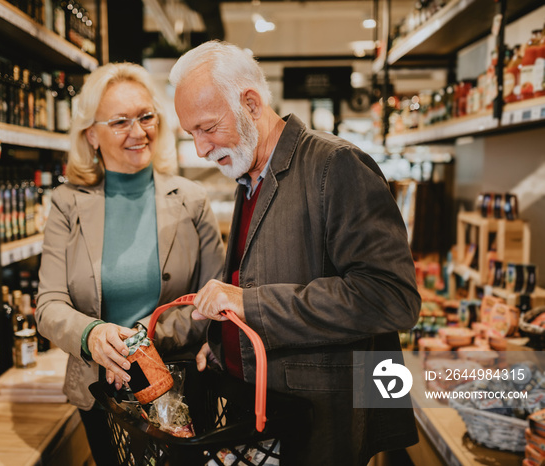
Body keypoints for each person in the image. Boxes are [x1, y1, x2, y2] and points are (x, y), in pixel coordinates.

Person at [169, 41, 421, 465]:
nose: (200, 148)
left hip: (320, 418)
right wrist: (221, 342)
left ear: (251, 104)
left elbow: (391, 298)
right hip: (264, 411)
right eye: (191, 133)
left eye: (208, 127)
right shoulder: (250, 175)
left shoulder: (335, 165)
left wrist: (248, 303)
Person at [35, 62, 225, 466]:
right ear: (91, 135)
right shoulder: (67, 203)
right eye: (120, 121)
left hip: (182, 380)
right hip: (100, 393)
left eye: (145, 117)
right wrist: (92, 334)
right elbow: (48, 305)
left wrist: (145, 336)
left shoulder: (191, 199)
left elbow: (217, 297)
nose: (138, 133)